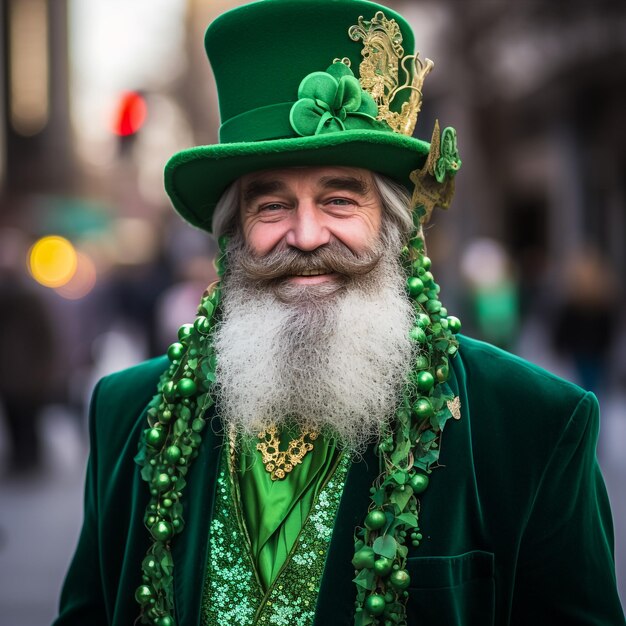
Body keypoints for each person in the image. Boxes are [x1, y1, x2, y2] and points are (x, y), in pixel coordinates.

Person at [54, 1, 625, 625]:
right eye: (271, 205)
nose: (304, 235)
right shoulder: (128, 414)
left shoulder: (533, 424)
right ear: (233, 236)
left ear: (395, 227)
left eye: (340, 199)